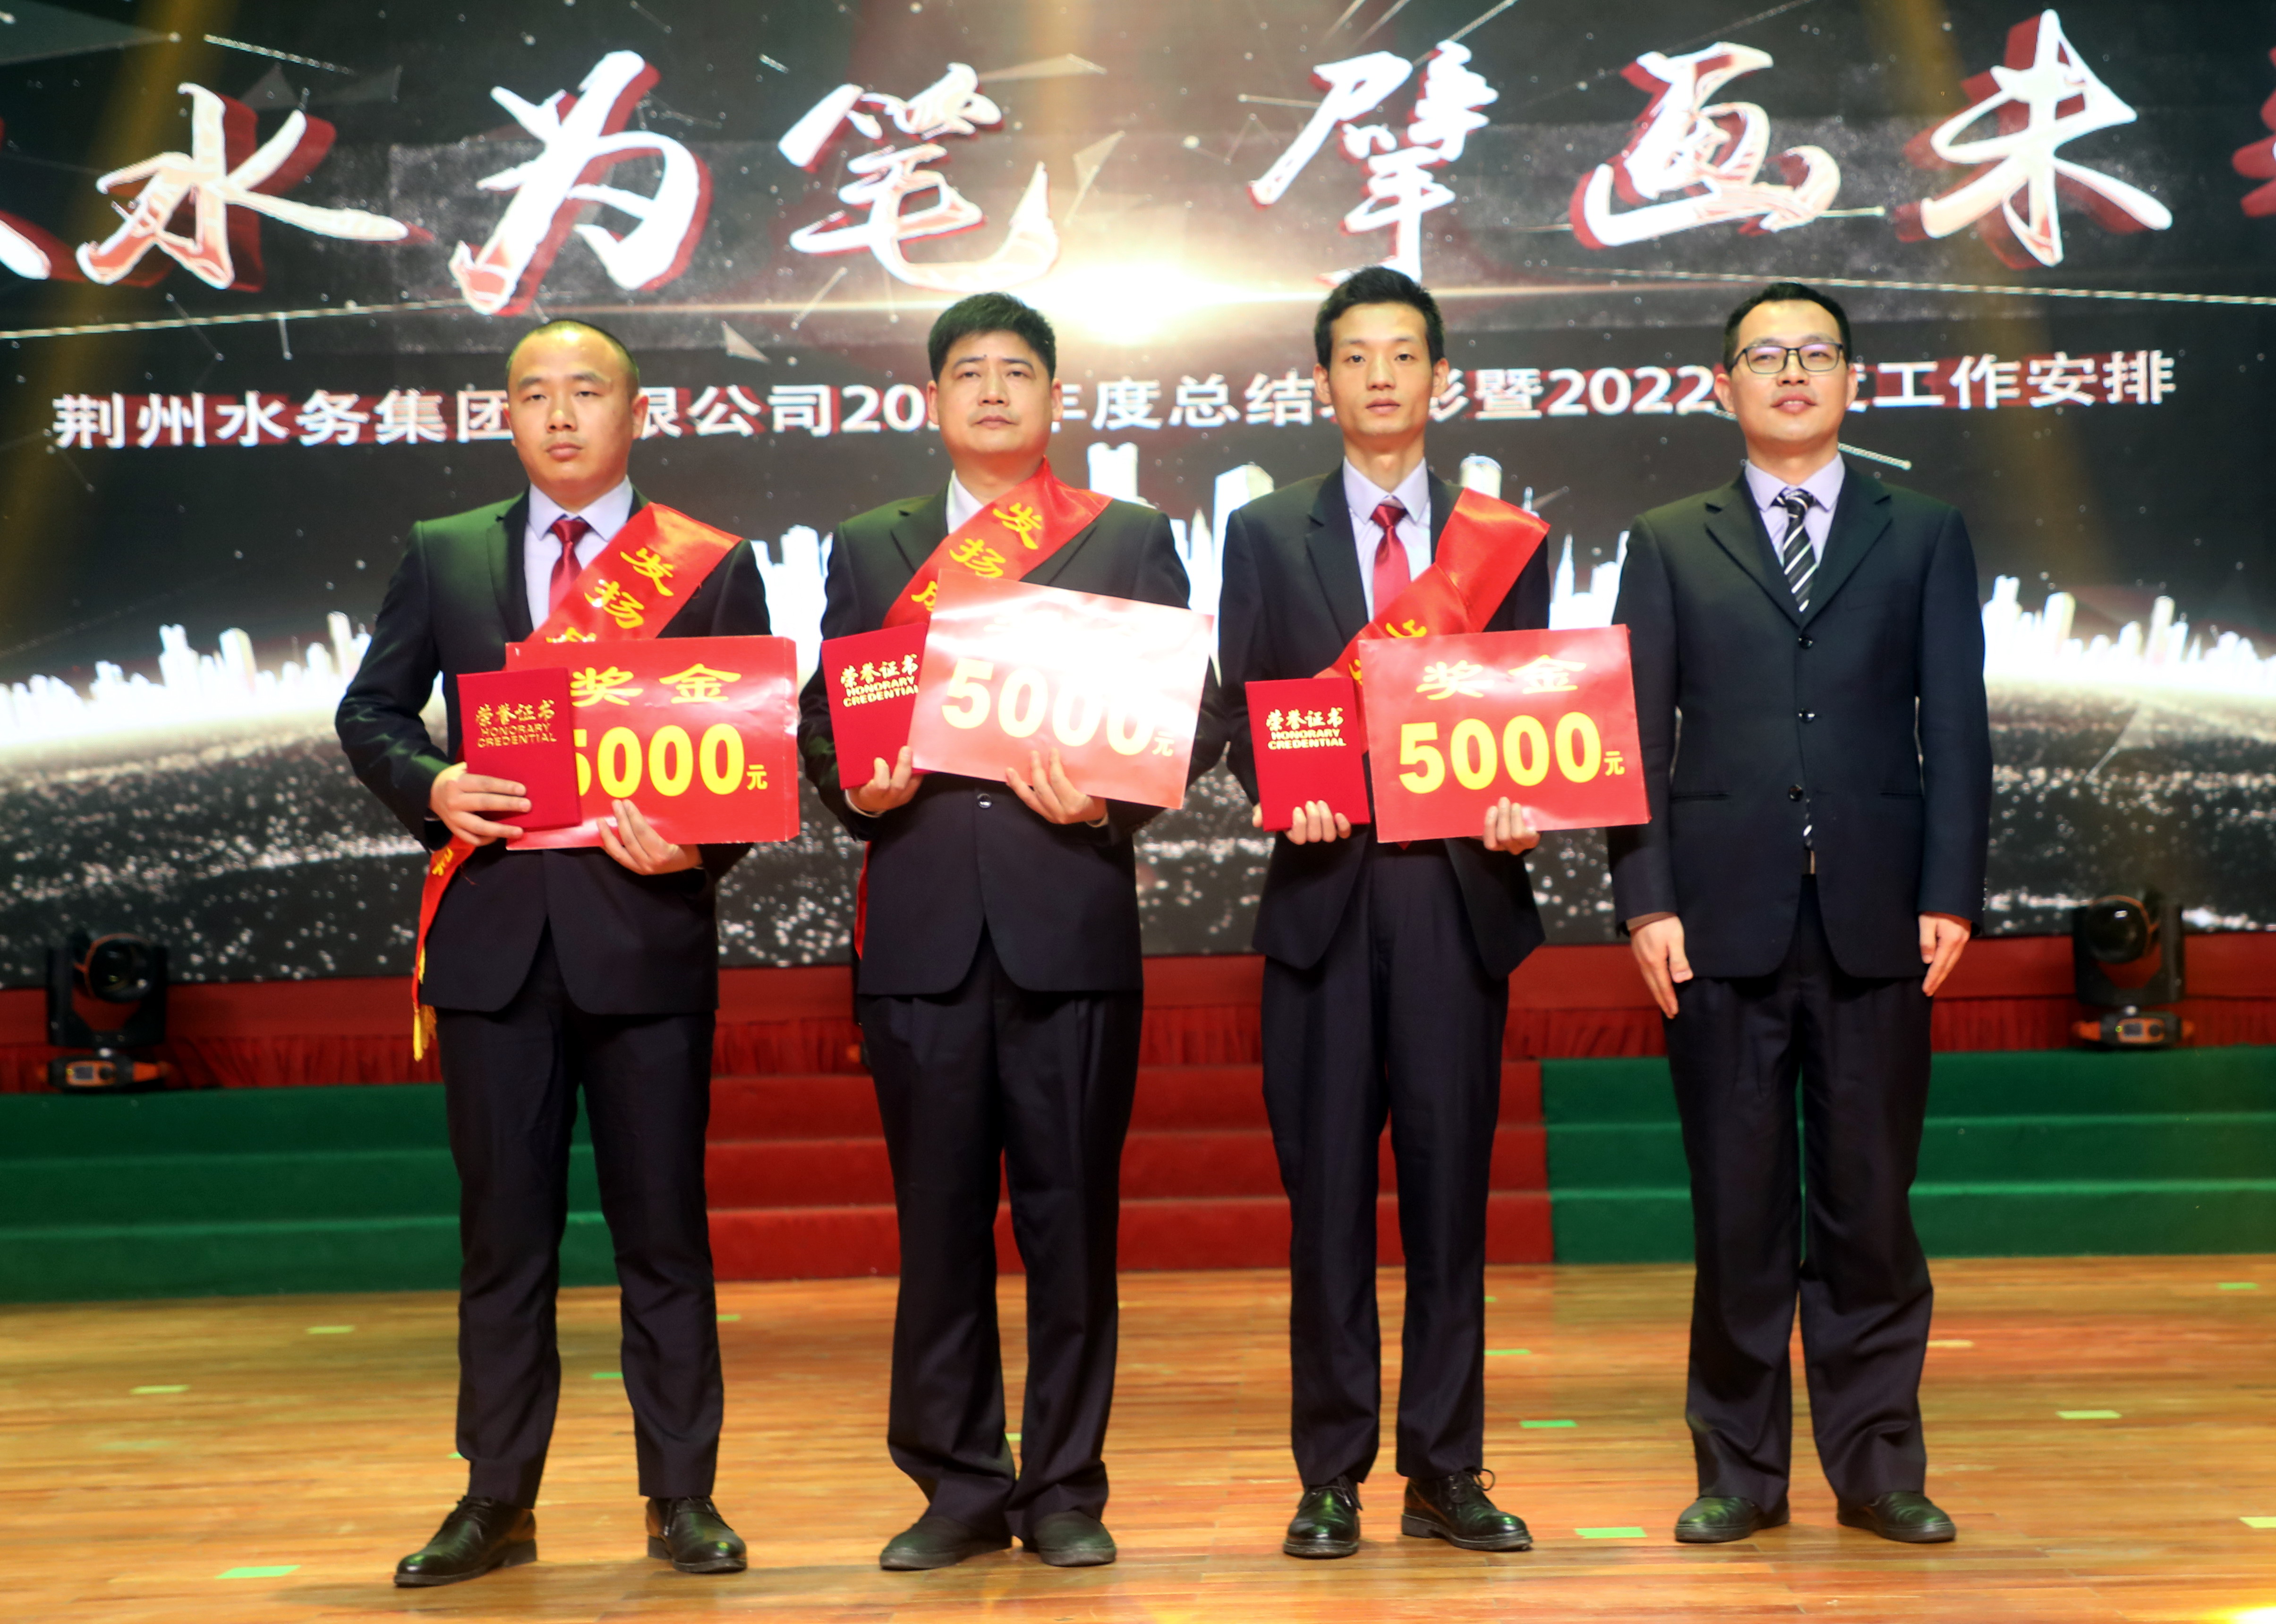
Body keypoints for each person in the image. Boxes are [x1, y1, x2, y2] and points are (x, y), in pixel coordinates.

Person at [337, 320, 766, 1586]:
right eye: (534, 395)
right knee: (504, 1241)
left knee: (664, 1235)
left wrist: (698, 849)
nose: (561, 414)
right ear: (508, 418)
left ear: (638, 414)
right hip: (495, 947)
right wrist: (432, 784)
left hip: (645, 940)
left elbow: (744, 753)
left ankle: (682, 1496)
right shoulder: (447, 553)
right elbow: (371, 709)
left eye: (586, 391)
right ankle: (496, 1499)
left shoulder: (707, 562)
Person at [796, 292, 1190, 1572]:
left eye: (1017, 372)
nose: (993, 392)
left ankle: (1064, 1486)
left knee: (1072, 1223)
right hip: (921, 933)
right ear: (932, 401)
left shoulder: (1126, 537)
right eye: (968, 373)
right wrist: (859, 791)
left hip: (1066, 920)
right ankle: (957, 1485)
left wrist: (1107, 802)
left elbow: (1189, 714)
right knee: (939, 1224)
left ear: (1054, 398)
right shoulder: (872, 547)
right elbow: (824, 718)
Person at [1606, 281, 1992, 1546]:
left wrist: (1950, 890)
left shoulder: (1921, 532)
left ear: (1850, 381)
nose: (1790, 373)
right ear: (1722, 385)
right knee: (1737, 1208)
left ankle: (1878, 1467)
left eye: (1815, 353)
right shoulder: (1669, 540)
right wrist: (1645, 900)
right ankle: (1739, 1471)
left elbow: (1957, 727)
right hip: (1717, 921)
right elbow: (1631, 735)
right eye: (1764, 355)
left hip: (1879, 914)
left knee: (1870, 1207)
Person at [1212, 267, 1550, 1560]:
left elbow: (1526, 708)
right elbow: (1243, 714)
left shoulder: (1504, 539)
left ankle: (1446, 1468)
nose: (1381, 377)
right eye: (1355, 356)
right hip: (1322, 900)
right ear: (1322, 382)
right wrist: (1280, 792)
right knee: (1329, 1207)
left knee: (1452, 1199)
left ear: (1440, 378)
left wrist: (1520, 797)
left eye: (1403, 354)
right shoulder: (1265, 532)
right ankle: (1330, 1473)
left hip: (1458, 897)